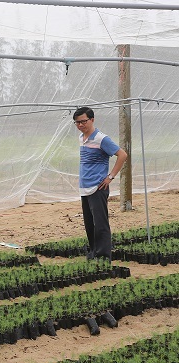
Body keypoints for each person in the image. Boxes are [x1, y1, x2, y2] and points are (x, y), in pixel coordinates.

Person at [73, 106, 127, 261]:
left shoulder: (101, 139)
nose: (80, 125)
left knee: (100, 224)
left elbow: (122, 155)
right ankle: (94, 252)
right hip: (85, 187)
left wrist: (110, 176)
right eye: (77, 122)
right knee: (89, 224)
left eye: (83, 121)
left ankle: (103, 256)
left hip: (98, 187)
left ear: (92, 120)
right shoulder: (81, 138)